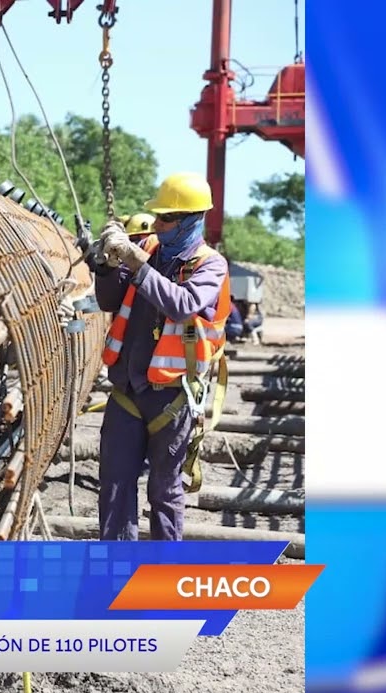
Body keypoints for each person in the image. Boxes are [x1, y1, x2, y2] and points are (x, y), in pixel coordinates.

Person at [89, 172, 233, 541]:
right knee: (115, 487)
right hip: (127, 389)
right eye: (157, 217)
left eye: (166, 219)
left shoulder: (210, 265)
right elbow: (110, 300)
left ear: (192, 220)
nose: (157, 225)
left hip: (171, 396)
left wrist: (136, 261)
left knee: (165, 492)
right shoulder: (151, 249)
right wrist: (105, 267)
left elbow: (182, 304)